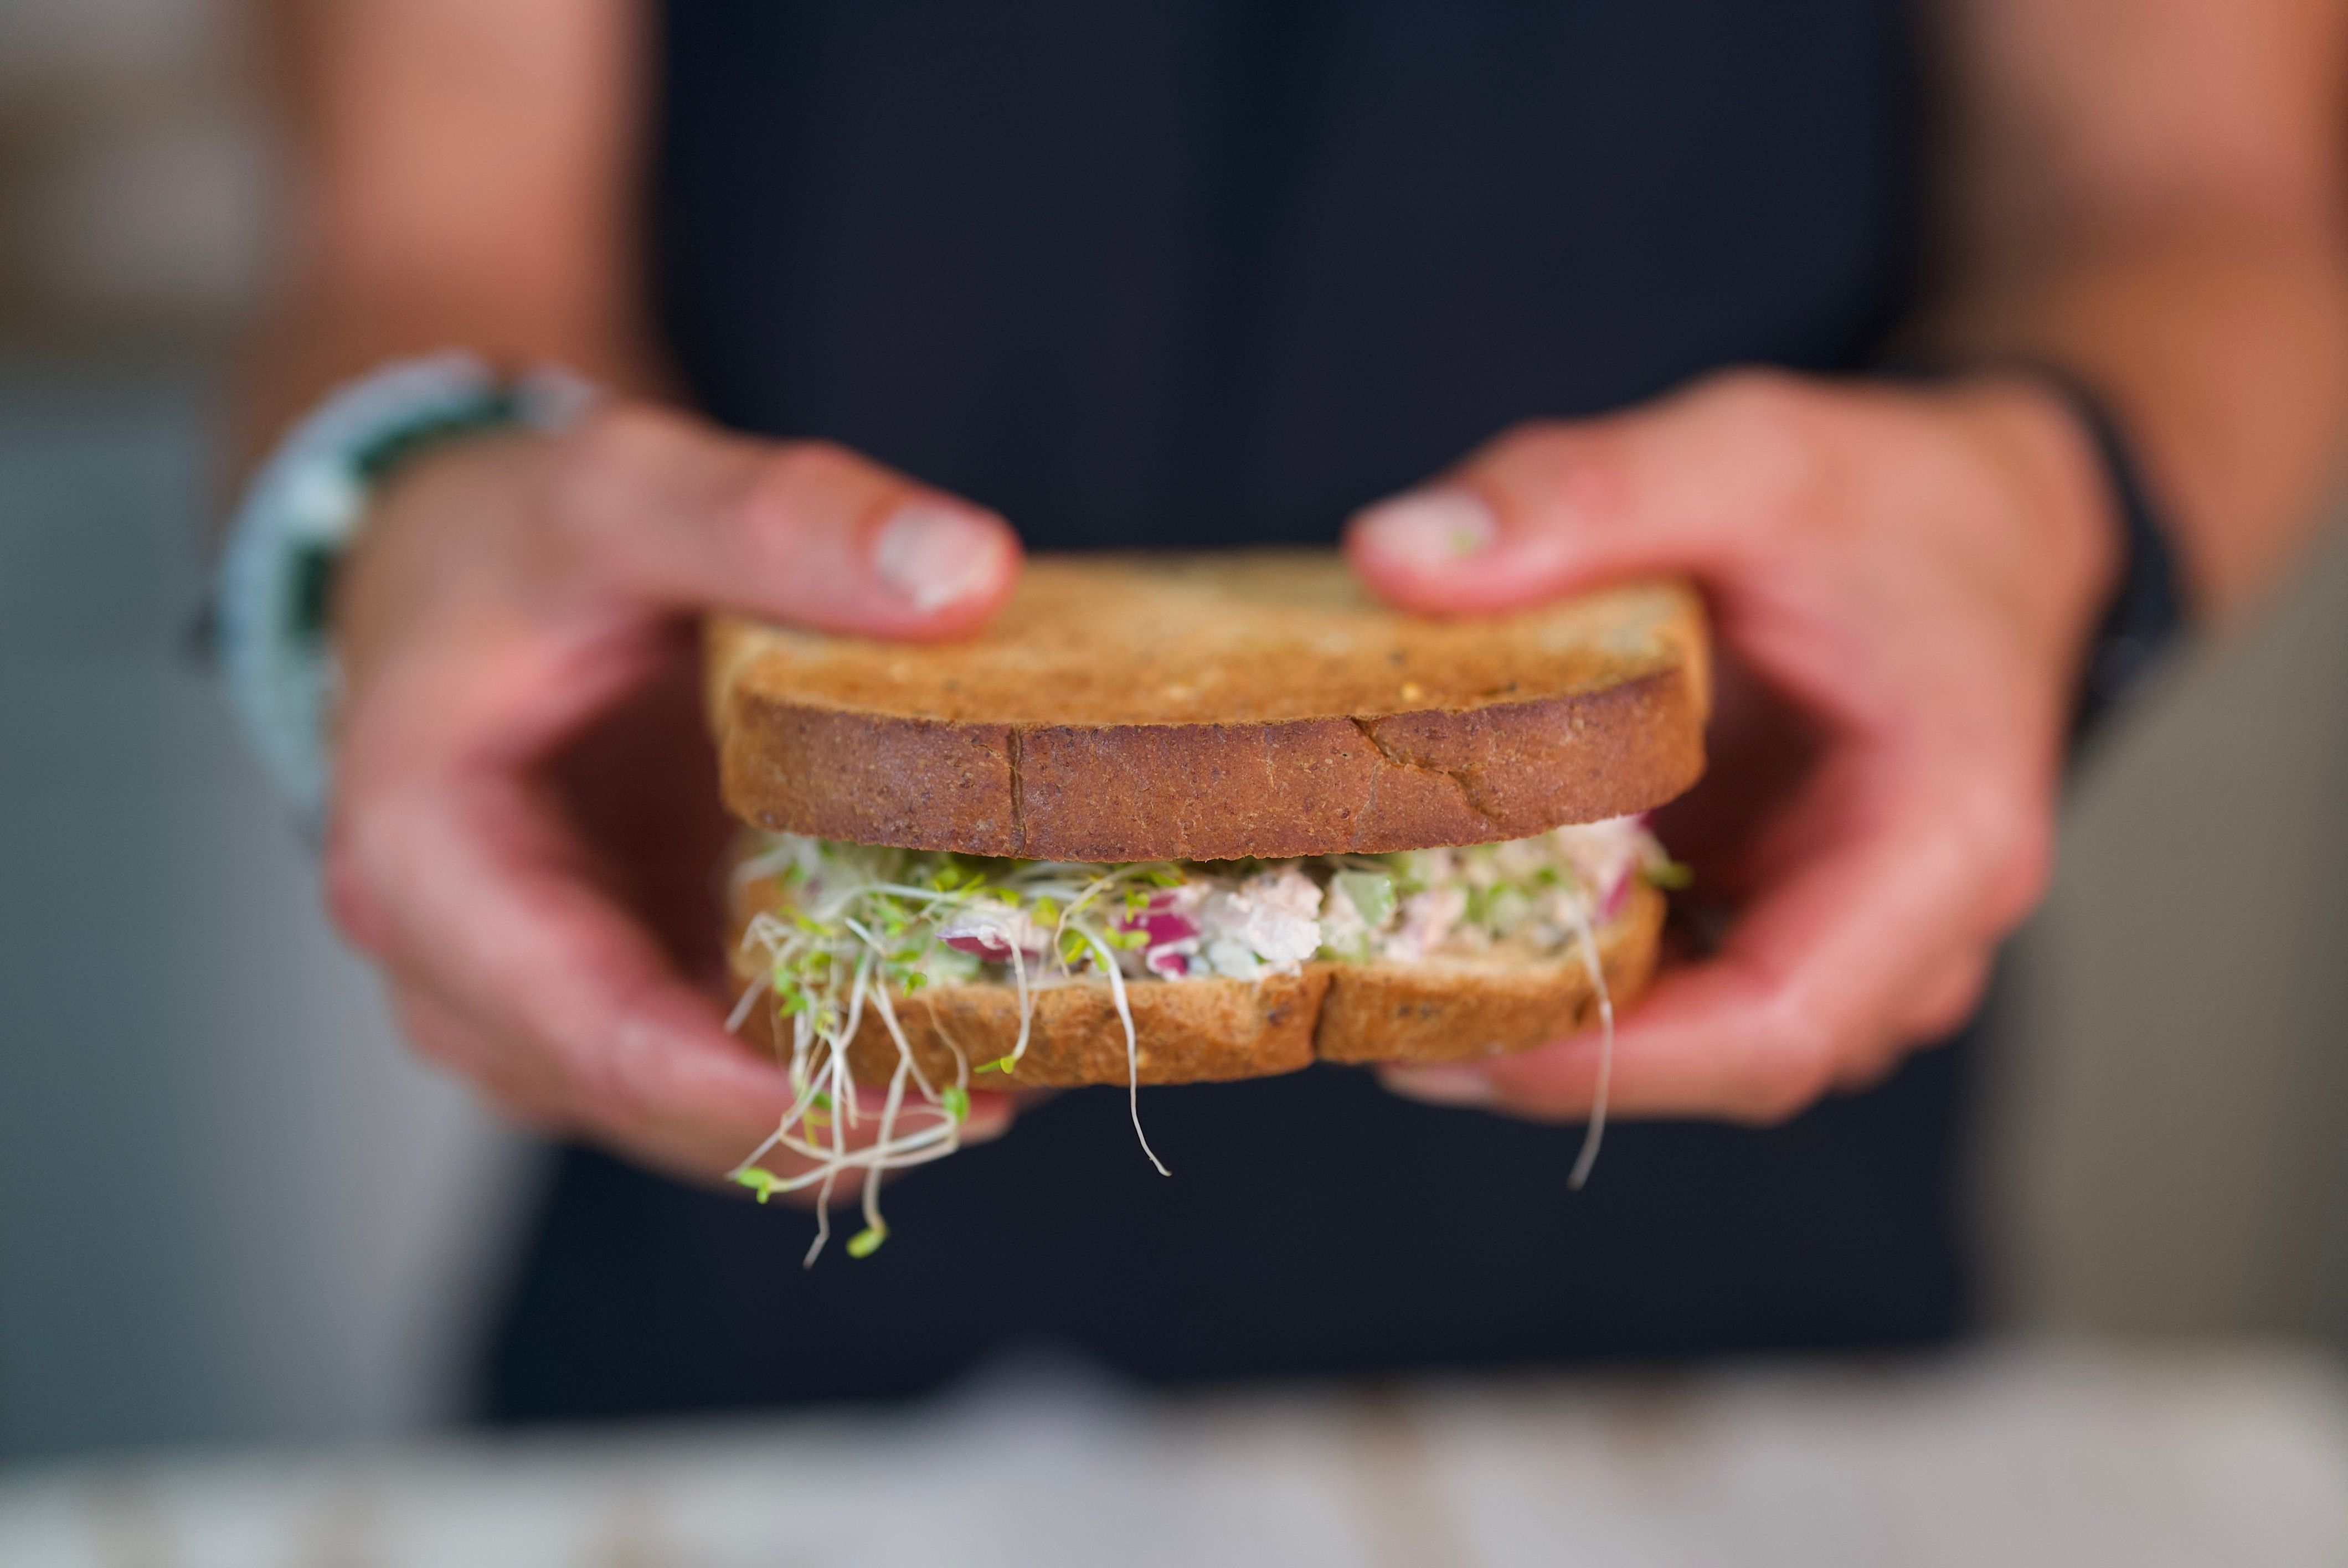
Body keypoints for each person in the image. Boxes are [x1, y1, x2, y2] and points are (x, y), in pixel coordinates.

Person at [229, 1, 2348, 1417]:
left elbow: (2208, 207)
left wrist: (2048, 508)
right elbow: (416, 228)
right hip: (745, 1283)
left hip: (1740, 1344)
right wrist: (409, 507)